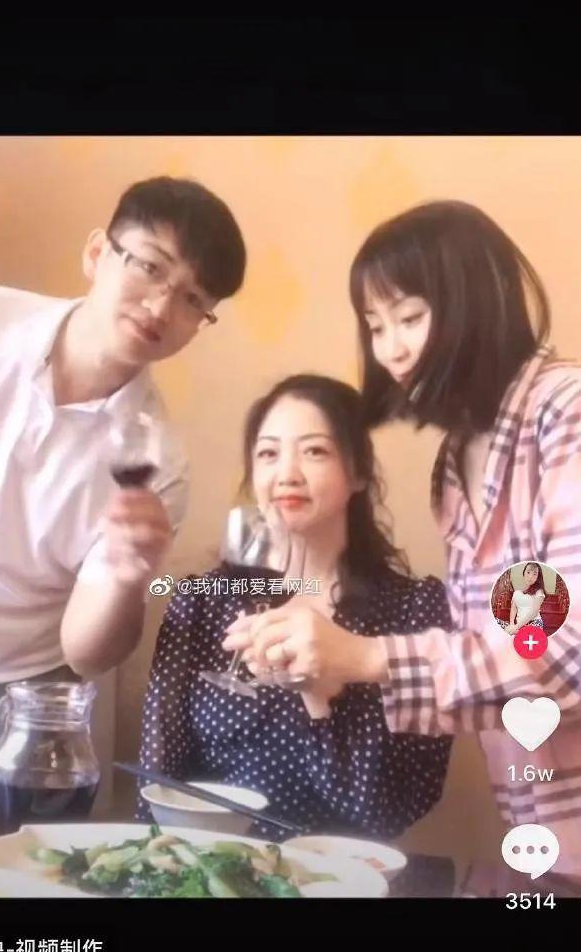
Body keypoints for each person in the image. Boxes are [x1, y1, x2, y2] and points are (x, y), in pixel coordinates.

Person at [226, 203, 581, 885]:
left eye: (410, 317)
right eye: (375, 325)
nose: (389, 349)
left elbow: (567, 650)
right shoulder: (456, 462)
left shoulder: (565, 412)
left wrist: (366, 657)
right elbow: (505, 662)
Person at [0, 176, 246, 799]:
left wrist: (129, 577)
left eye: (193, 299)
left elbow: (86, 653)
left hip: (18, 704)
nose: (161, 307)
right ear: (96, 253)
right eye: (150, 268)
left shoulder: (157, 463)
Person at [139, 374, 452, 837]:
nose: (286, 473)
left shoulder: (413, 612)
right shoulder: (202, 603)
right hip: (213, 861)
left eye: (314, 451)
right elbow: (156, 784)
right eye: (268, 454)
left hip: (336, 868)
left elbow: (390, 812)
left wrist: (318, 698)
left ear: (358, 473)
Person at [499, 562, 547, 635]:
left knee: (513, 632)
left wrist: (516, 627)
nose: (530, 576)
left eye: (534, 574)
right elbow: (514, 608)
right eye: (528, 572)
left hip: (534, 623)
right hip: (519, 626)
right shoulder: (517, 592)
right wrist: (512, 624)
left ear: (538, 577)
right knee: (496, 622)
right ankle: (517, 632)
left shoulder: (539, 591)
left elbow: (534, 612)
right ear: (523, 574)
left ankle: (518, 633)